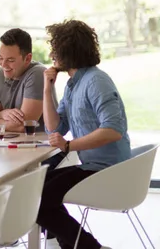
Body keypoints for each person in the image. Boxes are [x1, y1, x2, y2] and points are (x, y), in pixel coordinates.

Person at [38, 19, 131, 249]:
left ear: (68, 51)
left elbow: (113, 129)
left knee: (37, 201)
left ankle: (91, 248)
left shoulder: (96, 81)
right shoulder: (73, 84)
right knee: (36, 189)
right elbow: (54, 129)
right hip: (92, 167)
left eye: (55, 48)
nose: (51, 53)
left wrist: (70, 146)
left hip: (108, 171)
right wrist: (48, 88)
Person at [0, 28, 57, 134]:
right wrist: (2, 114)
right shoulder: (0, 74)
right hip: (9, 144)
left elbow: (23, 126)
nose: (3, 65)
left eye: (10, 60)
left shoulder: (38, 74)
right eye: (0, 58)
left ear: (27, 59)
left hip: (39, 145)